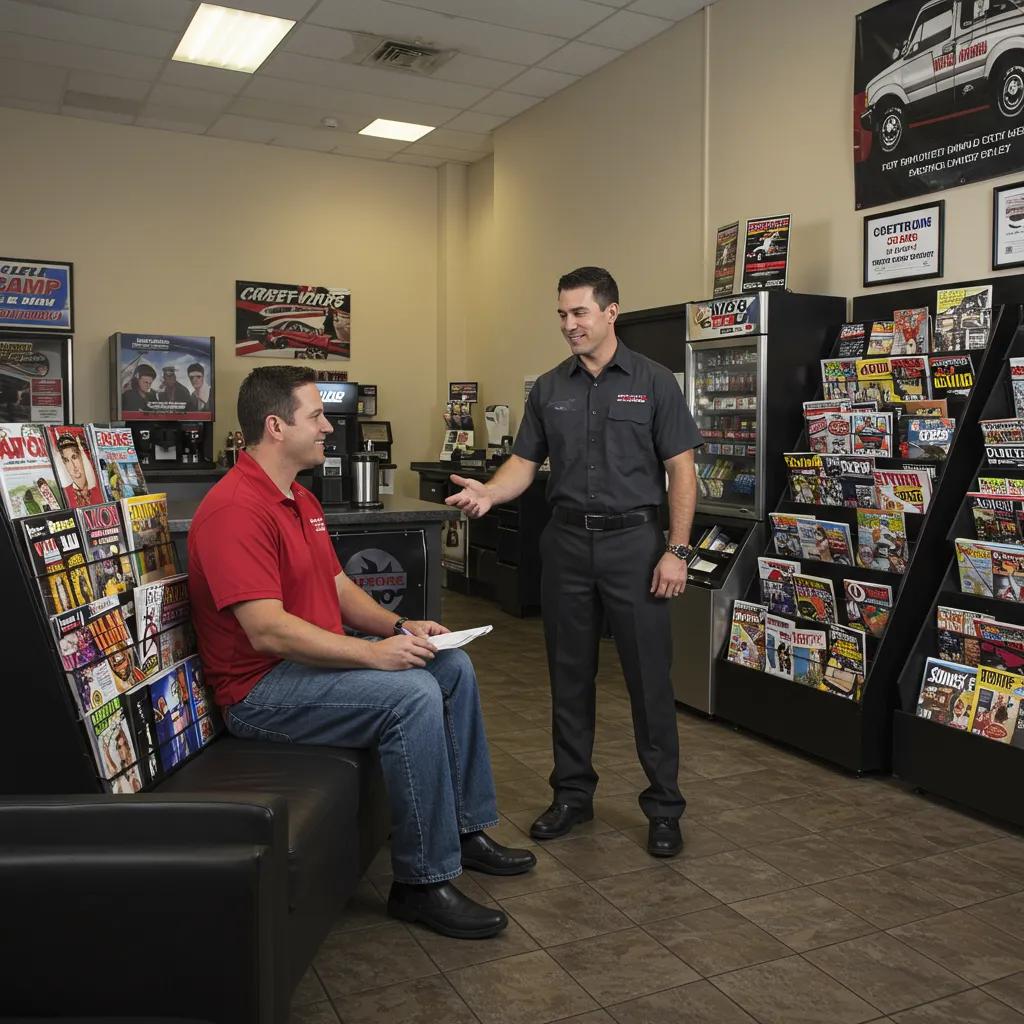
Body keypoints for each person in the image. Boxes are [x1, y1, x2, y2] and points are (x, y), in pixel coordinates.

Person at [188, 365, 533, 940]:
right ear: (276, 427)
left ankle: (466, 829)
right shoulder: (234, 510)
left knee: (449, 662)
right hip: (261, 690)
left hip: (309, 667)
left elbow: (339, 588)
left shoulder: (298, 497)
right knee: (412, 694)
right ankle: (421, 884)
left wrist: (400, 624)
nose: (329, 427)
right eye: (316, 416)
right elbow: (267, 631)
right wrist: (374, 656)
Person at [446, 267, 701, 858]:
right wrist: (488, 491)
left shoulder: (655, 382)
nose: (568, 325)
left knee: (647, 680)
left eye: (579, 313)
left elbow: (681, 471)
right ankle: (572, 796)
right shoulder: (549, 390)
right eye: (562, 314)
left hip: (636, 546)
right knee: (568, 675)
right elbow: (524, 463)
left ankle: (664, 806)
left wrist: (677, 550)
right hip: (564, 544)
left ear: (611, 312)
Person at [54, 432, 103, 507]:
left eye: (74, 457)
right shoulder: (67, 495)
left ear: (81, 456)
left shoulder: (98, 488)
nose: (73, 466)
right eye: (67, 460)